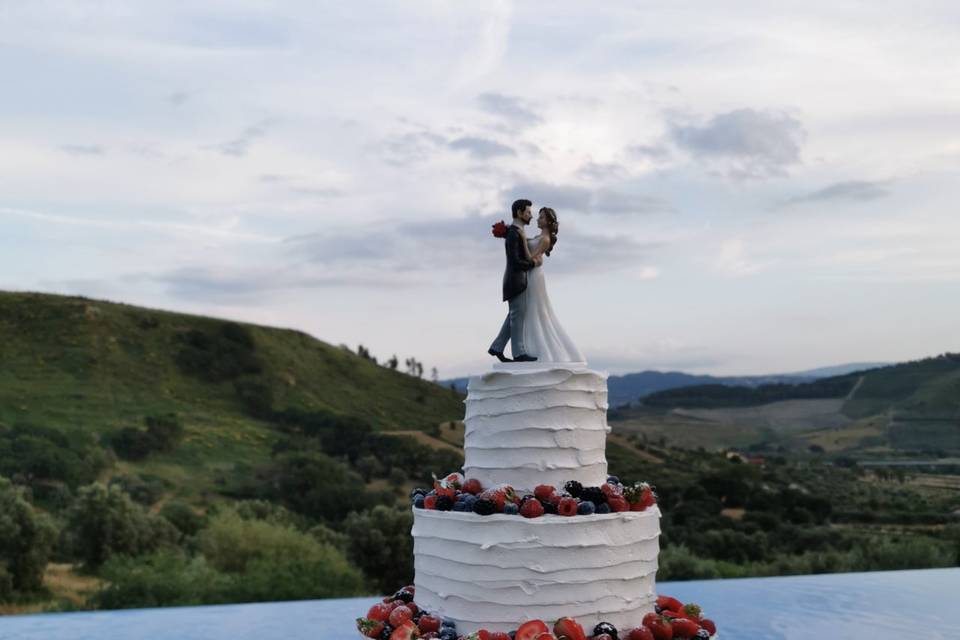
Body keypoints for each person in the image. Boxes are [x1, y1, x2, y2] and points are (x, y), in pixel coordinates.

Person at [488, 199, 540, 362]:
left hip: (515, 281)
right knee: (518, 317)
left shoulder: (517, 231)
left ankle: (497, 347)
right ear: (519, 212)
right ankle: (519, 352)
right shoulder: (514, 233)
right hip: (516, 281)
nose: (531, 216)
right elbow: (516, 261)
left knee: (514, 315)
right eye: (528, 212)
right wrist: (533, 262)